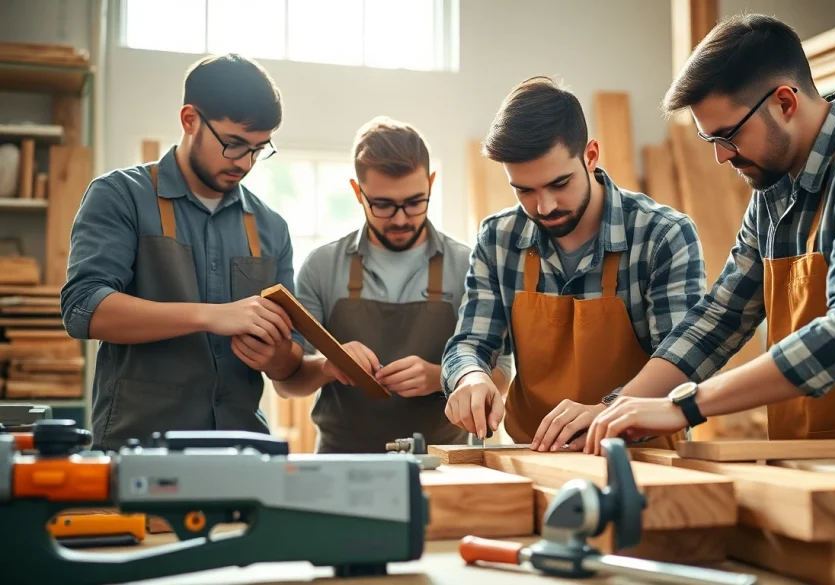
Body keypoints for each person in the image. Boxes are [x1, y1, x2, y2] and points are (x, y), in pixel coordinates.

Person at [582, 14, 835, 454]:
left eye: (728, 135)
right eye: (708, 139)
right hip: (812, 462)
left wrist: (685, 406)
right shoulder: (774, 190)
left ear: (785, 102)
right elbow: (722, 317)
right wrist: (618, 406)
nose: (719, 157)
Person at [440, 76, 706, 452]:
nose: (544, 207)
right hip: (535, 457)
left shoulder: (662, 236)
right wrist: (470, 377)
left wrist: (608, 411)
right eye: (525, 191)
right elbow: (469, 342)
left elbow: (682, 362)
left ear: (591, 155)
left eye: (559, 183)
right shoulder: (497, 239)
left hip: (645, 458)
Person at [61, 54, 304, 452]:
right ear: (190, 119)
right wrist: (211, 316)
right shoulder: (120, 196)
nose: (244, 163)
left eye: (259, 149)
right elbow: (83, 309)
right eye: (233, 144)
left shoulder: (270, 227)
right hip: (138, 453)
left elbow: (290, 364)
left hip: (244, 454)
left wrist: (276, 355)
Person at [271, 116, 513, 453]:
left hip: (446, 467)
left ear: (431, 183)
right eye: (383, 205)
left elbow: (501, 373)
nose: (401, 218)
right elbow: (290, 383)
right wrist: (329, 366)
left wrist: (439, 376)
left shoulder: (467, 265)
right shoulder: (322, 267)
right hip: (342, 465)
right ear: (358, 192)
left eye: (415, 202)